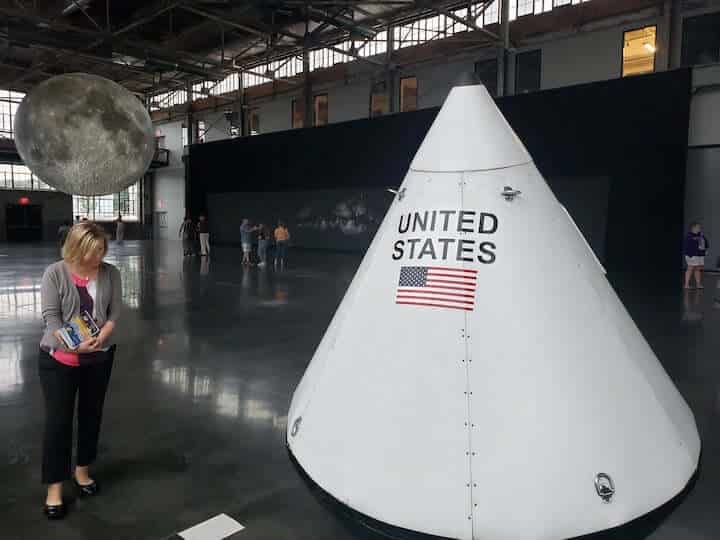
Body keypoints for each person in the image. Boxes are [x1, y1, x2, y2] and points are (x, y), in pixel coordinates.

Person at [39, 221, 122, 520]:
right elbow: (51, 319)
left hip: (99, 357)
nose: (96, 257)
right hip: (58, 360)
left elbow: (114, 312)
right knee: (58, 423)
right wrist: (73, 346)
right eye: (90, 251)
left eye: (100, 250)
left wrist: (105, 334)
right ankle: (54, 488)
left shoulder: (111, 272)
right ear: (75, 248)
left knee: (91, 415)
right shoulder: (55, 273)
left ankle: (82, 471)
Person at [684, 222, 709, 290]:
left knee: (698, 269)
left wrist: (706, 249)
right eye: (698, 227)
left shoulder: (701, 235)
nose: (699, 228)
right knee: (690, 268)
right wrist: (690, 254)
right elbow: (687, 246)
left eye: (700, 227)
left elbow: (705, 242)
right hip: (692, 255)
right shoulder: (689, 236)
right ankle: (686, 284)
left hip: (699, 254)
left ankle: (698, 284)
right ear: (693, 228)